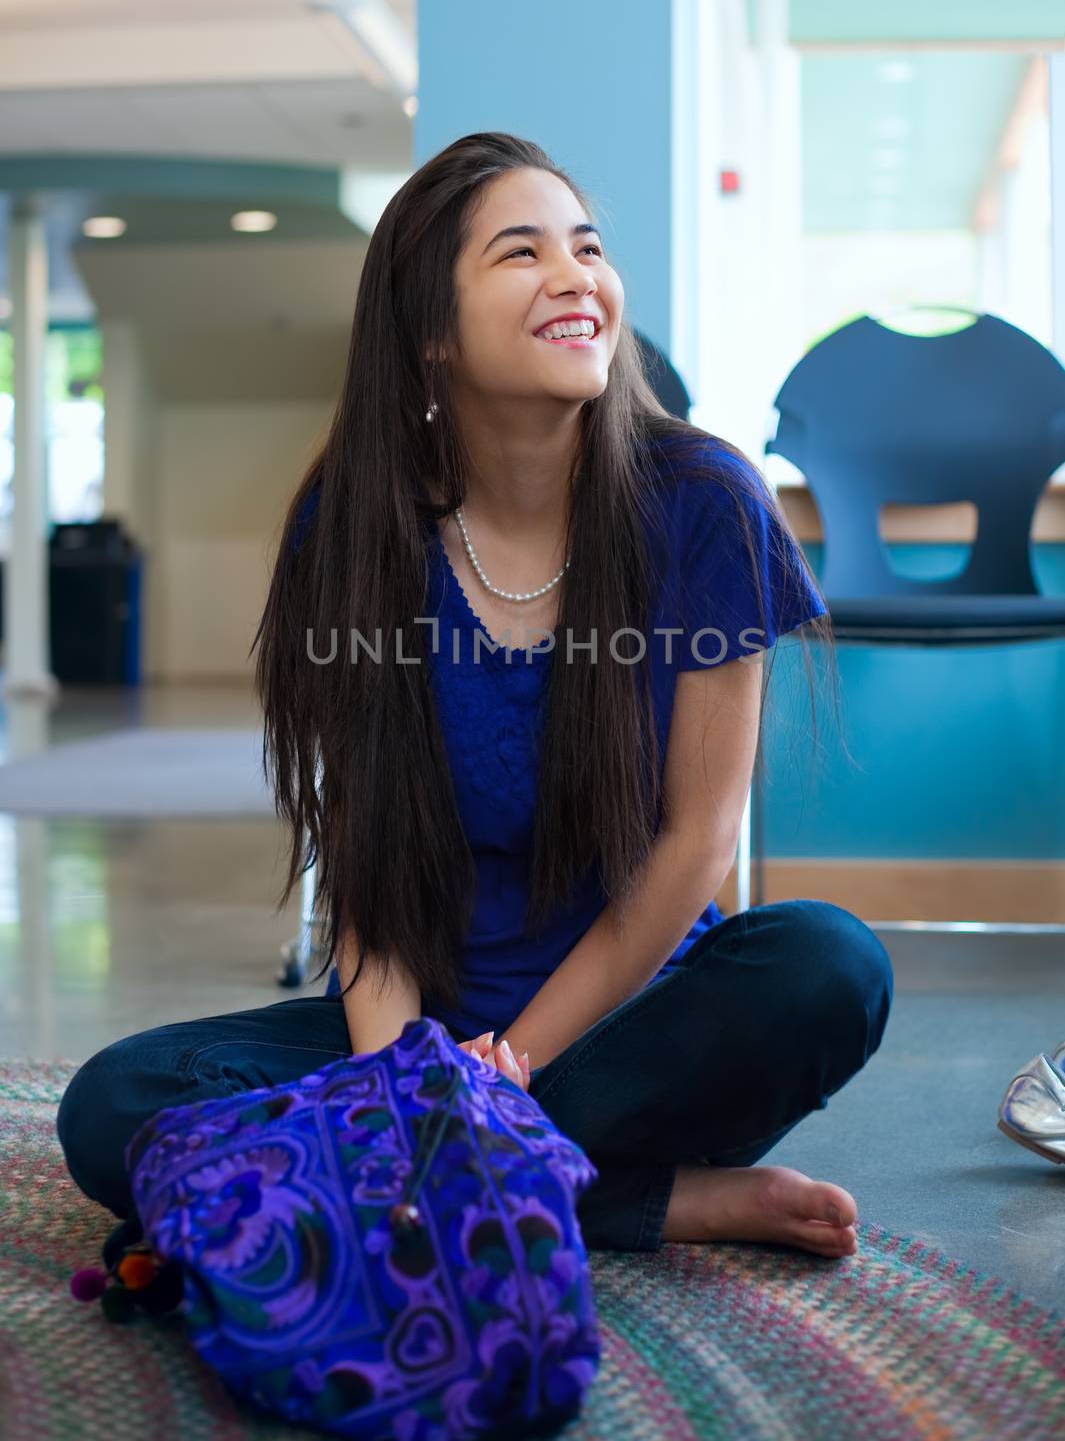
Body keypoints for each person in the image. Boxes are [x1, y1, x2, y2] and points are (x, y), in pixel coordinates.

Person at [57, 131, 892, 1258]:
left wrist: (507, 1076)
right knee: (113, 1106)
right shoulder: (354, 532)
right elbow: (366, 861)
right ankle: (649, 1199)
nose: (576, 276)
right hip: (421, 1032)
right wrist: (399, 1087)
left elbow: (698, 846)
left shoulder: (707, 502)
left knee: (829, 968)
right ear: (433, 335)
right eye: (521, 252)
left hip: (629, 1026)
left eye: (586, 247)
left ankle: (457, 1174)